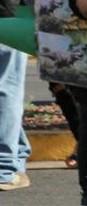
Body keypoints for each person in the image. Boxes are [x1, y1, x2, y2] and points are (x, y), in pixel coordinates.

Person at [0, 0, 29, 192]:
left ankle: (11, 163)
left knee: (7, 90)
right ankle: (7, 166)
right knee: (8, 90)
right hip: (11, 16)